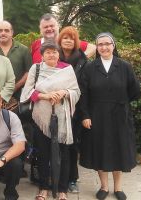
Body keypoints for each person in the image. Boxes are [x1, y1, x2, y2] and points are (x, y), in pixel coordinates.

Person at [79, 32, 140, 200]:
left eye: (107, 43)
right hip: (97, 115)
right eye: (100, 44)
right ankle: (104, 187)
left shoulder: (125, 66)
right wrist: (85, 115)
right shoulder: (90, 68)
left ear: (113, 45)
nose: (104, 47)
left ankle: (118, 188)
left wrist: (122, 103)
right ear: (97, 48)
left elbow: (135, 90)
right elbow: (83, 94)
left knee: (118, 150)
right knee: (100, 150)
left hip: (120, 115)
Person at [20, 40, 81, 200]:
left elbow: (76, 91)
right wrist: (44, 95)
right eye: (48, 52)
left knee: (64, 154)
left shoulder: (67, 69)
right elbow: (27, 92)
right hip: (41, 116)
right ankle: (43, 188)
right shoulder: (37, 68)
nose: (51, 54)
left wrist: (64, 92)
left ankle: (62, 190)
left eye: (54, 51)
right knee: (43, 153)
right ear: (42, 55)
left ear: (59, 53)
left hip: (63, 117)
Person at [0, 20, 32, 177]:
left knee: (17, 132)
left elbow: (28, 72)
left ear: (12, 32)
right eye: (0, 30)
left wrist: (13, 88)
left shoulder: (23, 50)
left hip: (16, 99)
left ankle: (18, 167)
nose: (3, 33)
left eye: (6, 30)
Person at [57, 26, 88, 193]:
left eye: (71, 38)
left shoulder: (83, 60)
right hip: (55, 108)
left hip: (75, 110)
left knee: (72, 146)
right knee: (56, 145)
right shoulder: (54, 57)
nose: (68, 40)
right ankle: (56, 177)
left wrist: (83, 113)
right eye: (65, 37)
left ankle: (72, 179)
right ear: (60, 40)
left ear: (76, 42)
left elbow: (85, 88)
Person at [30, 13, 96, 64]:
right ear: (40, 29)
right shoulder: (35, 44)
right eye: (45, 27)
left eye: (52, 26)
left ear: (58, 26)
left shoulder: (66, 42)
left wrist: (81, 58)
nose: (49, 29)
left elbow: (93, 47)